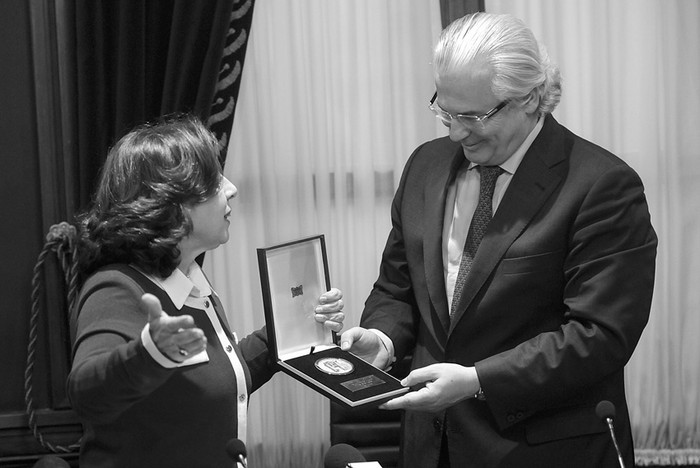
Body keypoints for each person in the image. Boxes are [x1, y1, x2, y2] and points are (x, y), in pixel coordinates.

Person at [340, 12, 657, 468]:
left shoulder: (601, 185)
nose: (454, 132)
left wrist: (475, 379)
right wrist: (382, 339)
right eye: (444, 111)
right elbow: (398, 288)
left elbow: (599, 335)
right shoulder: (425, 167)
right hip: (432, 448)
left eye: (472, 116)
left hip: (542, 451)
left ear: (529, 98)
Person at [67, 115, 345, 467]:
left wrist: (295, 327)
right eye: (214, 181)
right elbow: (87, 395)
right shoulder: (117, 287)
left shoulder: (193, 280)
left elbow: (216, 377)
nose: (231, 188)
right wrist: (148, 354)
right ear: (171, 203)